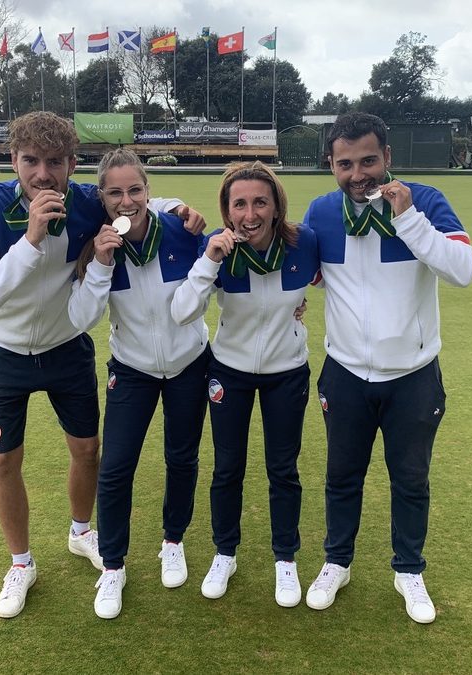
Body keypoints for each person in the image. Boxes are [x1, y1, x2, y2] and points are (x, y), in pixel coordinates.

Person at [0, 111, 204, 619]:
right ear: (15, 160)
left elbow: (132, 200)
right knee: (4, 460)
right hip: (1, 352)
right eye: (31, 161)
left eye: (55, 162)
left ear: (72, 165)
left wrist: (177, 206)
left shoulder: (88, 202)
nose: (43, 174)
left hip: (66, 348)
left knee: (89, 450)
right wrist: (30, 239)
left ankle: (80, 533)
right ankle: (22, 563)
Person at [301, 112, 472, 623]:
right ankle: (337, 562)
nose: (359, 174)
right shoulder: (322, 211)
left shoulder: (424, 201)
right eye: (345, 164)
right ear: (331, 166)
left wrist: (409, 220)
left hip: (414, 374)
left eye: (369, 161)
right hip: (346, 372)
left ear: (388, 159)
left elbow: (463, 270)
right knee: (342, 477)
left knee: (411, 479)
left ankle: (408, 570)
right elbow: (304, 273)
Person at [67, 148, 210, 620]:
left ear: (148, 190)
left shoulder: (182, 230)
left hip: (189, 363)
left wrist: (291, 306)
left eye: (135, 189)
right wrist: (103, 263)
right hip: (131, 368)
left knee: (181, 457)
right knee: (116, 467)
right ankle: (113, 565)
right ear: (102, 197)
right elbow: (82, 318)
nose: (126, 201)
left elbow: (222, 280)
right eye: (114, 192)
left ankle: (173, 541)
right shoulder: (97, 244)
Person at [172, 161, 319, 608]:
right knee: (227, 468)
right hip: (229, 372)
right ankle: (225, 553)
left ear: (276, 207)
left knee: (283, 469)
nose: (249, 213)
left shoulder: (304, 242)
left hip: (287, 372)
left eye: (260, 202)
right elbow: (181, 312)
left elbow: (333, 277)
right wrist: (209, 259)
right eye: (240, 203)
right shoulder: (216, 249)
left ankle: (285, 560)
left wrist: (300, 306)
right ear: (227, 209)